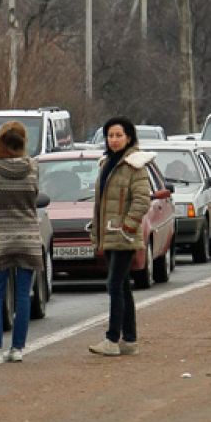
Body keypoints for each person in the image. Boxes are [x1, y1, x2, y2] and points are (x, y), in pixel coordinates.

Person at [0, 121, 42, 364]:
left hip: (0, 236)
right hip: (28, 236)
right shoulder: (32, 166)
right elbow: (35, 194)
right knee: (24, 294)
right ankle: (17, 348)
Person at [89, 117, 152, 357]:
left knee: (114, 284)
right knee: (123, 286)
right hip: (109, 234)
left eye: (119, 135)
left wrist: (127, 226)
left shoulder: (135, 165)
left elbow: (142, 200)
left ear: (129, 137)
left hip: (123, 236)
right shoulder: (106, 163)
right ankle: (130, 339)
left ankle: (112, 339)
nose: (114, 140)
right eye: (110, 135)